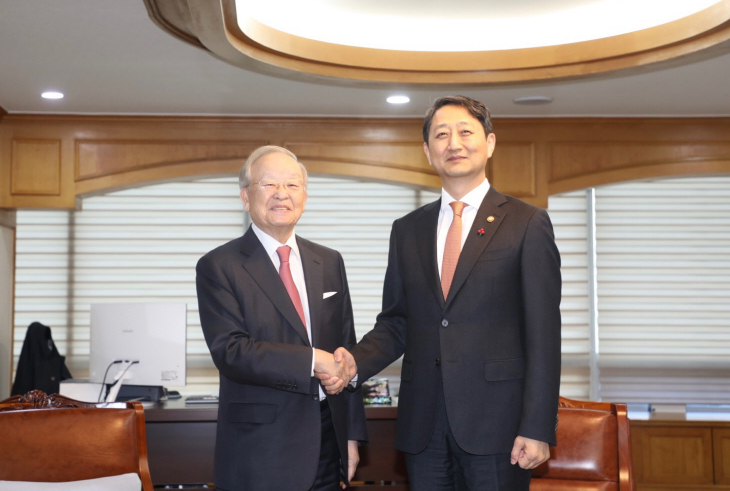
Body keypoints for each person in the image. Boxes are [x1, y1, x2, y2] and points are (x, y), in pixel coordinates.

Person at [320, 96, 562, 490]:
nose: (454, 143)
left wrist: (537, 426)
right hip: (424, 425)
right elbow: (397, 322)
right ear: (427, 151)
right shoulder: (407, 229)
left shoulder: (526, 223)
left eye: (466, 131)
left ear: (490, 143)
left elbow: (544, 334)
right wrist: (353, 363)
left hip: (498, 427)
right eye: (441, 134)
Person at [196, 145, 367, 491]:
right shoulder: (219, 265)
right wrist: (312, 359)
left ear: (304, 195)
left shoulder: (329, 261)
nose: (281, 194)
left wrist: (351, 435)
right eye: (268, 184)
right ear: (246, 197)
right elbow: (231, 351)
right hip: (260, 448)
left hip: (327, 441)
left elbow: (346, 351)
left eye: (292, 185)